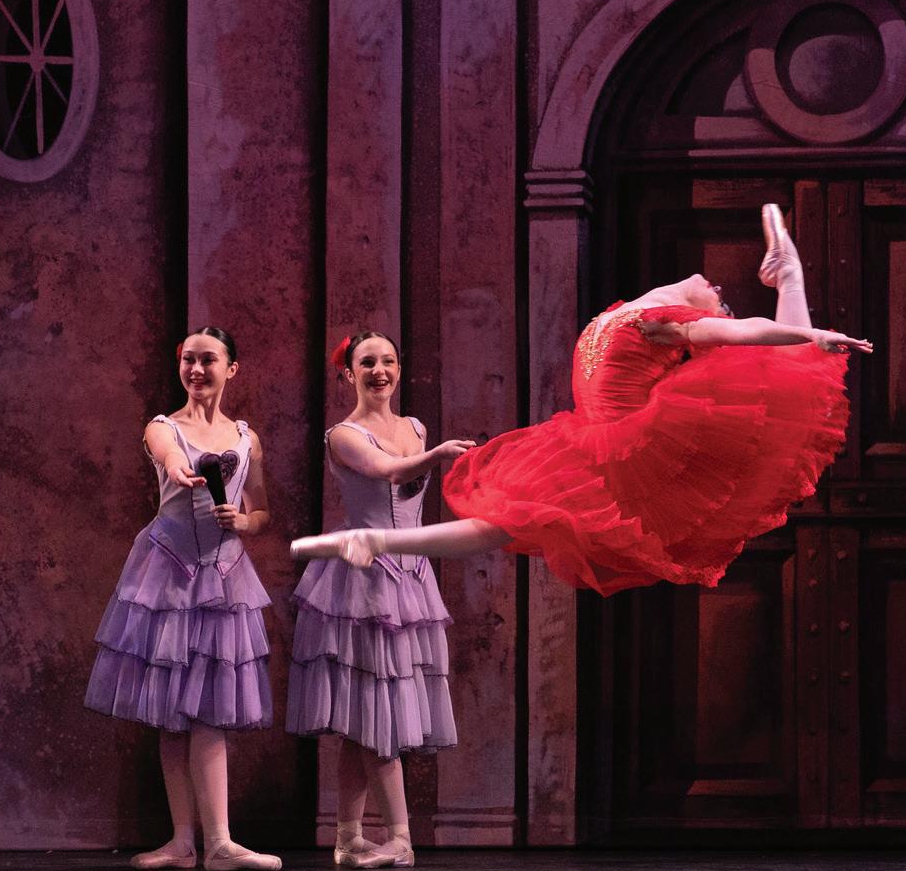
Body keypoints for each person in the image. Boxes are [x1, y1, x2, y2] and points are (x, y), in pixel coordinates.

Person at [294, 205, 869, 595]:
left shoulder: (632, 316)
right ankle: (790, 281)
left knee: (500, 522)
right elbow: (738, 329)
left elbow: (740, 331)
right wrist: (806, 333)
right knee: (500, 523)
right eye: (716, 293)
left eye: (717, 297)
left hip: (608, 443)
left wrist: (804, 334)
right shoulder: (641, 316)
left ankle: (376, 540)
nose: (715, 293)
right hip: (613, 447)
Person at [84, 327, 280, 871]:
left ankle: (219, 841)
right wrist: (178, 469)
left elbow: (262, 511)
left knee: (210, 708)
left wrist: (243, 521)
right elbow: (167, 454)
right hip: (169, 574)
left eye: (208, 359)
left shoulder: (246, 439)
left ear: (231, 368)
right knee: (172, 714)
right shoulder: (163, 427)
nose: (196, 369)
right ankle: (182, 841)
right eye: (188, 359)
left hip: (223, 577)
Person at [286, 331, 466, 869]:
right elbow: (389, 471)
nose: (380, 371)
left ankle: (347, 837)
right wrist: (439, 455)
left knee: (362, 721)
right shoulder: (344, 435)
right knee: (373, 713)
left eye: (388, 361)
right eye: (368, 363)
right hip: (365, 580)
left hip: (411, 577)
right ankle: (401, 839)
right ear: (349, 373)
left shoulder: (415, 427)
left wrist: (434, 451)